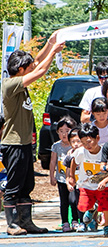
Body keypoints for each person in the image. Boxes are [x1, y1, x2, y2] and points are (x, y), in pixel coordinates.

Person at [1, 32, 64, 235]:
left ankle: (26, 222)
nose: (32, 69)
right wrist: (53, 53)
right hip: (14, 143)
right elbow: (41, 70)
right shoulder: (10, 84)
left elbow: (36, 63)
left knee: (27, 184)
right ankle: (11, 224)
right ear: (20, 70)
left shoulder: (19, 79)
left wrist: (49, 44)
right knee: (14, 184)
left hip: (25, 142)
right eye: (27, 69)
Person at [68, 123, 108, 237]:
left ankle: (107, 226)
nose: (87, 145)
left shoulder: (106, 151)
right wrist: (72, 176)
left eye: (89, 142)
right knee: (83, 206)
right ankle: (91, 209)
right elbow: (74, 162)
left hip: (103, 185)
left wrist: (105, 181)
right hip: (86, 185)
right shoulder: (80, 152)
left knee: (106, 206)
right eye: (83, 143)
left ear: (97, 138)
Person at [49, 116, 78, 232]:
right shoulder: (56, 146)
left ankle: (75, 220)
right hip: (61, 179)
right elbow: (52, 161)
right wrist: (52, 176)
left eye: (67, 131)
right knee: (64, 201)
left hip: (74, 179)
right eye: (61, 131)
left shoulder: (75, 146)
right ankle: (65, 222)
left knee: (73, 200)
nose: (64, 134)